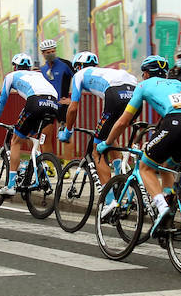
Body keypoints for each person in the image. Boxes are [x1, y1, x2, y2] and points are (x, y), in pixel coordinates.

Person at [97, 55, 181, 231]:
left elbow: (124, 121)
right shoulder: (177, 84)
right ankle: (168, 201)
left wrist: (107, 142)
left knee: (145, 167)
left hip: (176, 123)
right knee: (165, 166)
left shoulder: (143, 85)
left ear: (146, 74)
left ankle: (162, 208)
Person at [0, 53, 59, 197]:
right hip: (53, 103)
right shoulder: (38, 75)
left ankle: (10, 186)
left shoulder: (11, 76)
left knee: (15, 141)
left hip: (35, 102)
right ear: (29, 67)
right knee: (30, 136)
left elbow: (0, 105)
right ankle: (37, 166)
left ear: (15, 67)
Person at [59, 50, 137, 192]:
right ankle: (121, 179)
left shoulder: (79, 75)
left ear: (78, 66)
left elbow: (73, 108)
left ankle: (108, 200)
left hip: (115, 96)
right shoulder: (106, 72)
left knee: (97, 151)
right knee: (109, 136)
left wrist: (68, 130)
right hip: (134, 95)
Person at [37, 39, 75, 158]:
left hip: (62, 106)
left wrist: (72, 99)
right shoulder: (42, 69)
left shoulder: (65, 64)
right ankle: (50, 164)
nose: (51, 54)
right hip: (47, 105)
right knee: (45, 135)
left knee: (65, 135)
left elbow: (79, 79)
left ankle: (67, 165)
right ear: (43, 53)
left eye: (53, 51)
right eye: (48, 52)